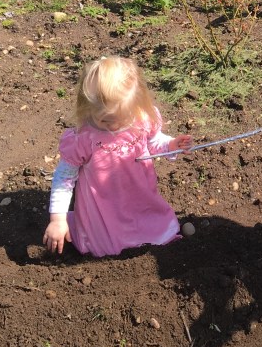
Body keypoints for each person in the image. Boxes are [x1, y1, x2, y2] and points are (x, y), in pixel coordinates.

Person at [43, 56, 193, 257]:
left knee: (153, 228)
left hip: (139, 195)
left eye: (121, 119)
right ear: (88, 108)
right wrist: (58, 220)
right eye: (105, 120)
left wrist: (171, 145)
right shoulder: (84, 138)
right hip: (104, 207)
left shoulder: (142, 118)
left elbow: (153, 141)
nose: (113, 126)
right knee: (109, 248)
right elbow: (64, 178)